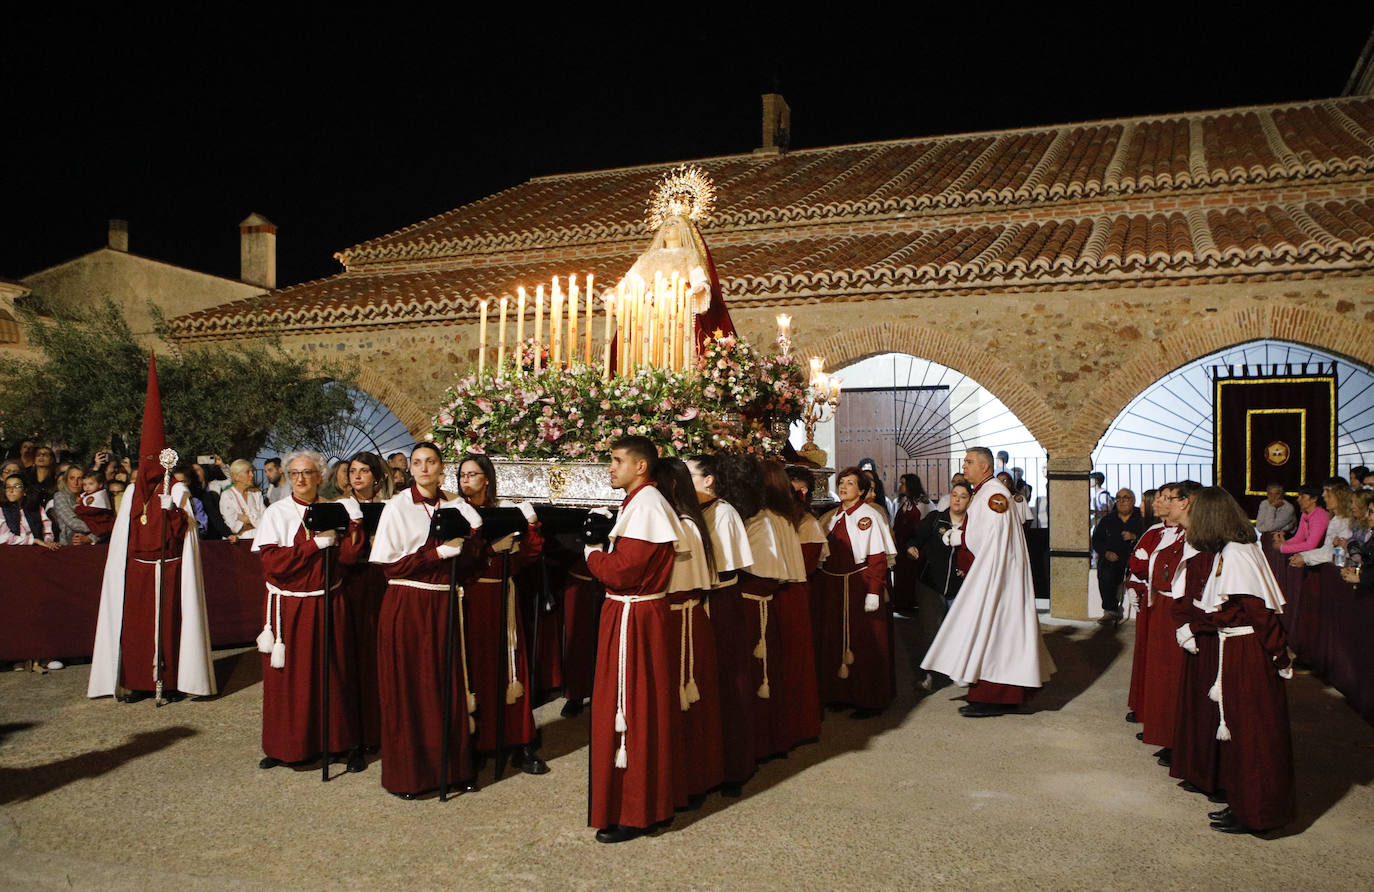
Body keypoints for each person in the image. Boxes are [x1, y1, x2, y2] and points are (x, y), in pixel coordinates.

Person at [88, 356, 216, 702]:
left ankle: (171, 680)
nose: (146, 471)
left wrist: (173, 510)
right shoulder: (131, 493)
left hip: (170, 568)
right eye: (142, 463)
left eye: (151, 463)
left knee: (170, 626)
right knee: (137, 628)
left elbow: (187, 532)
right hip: (138, 571)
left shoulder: (176, 491)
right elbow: (123, 534)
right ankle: (137, 682)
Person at [1176, 487, 1296, 835]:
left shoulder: (1239, 554)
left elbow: (1260, 613)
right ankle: (1242, 802)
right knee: (1239, 735)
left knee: (1255, 735)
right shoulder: (1231, 550)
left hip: (1248, 654)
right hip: (1235, 651)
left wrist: (1279, 656)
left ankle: (1259, 812)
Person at [369, 443, 486, 798]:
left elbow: (470, 559)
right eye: (416, 462)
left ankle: (454, 769)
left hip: (446, 602)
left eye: (430, 462)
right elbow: (390, 566)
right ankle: (412, 776)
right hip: (410, 602)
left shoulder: (455, 504)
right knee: (413, 689)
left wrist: (477, 540)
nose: (422, 468)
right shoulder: (397, 507)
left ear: (440, 468)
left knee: (446, 683)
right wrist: (434, 553)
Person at [584, 435, 684, 844]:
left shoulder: (645, 505)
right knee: (644, 709)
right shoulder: (641, 503)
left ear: (641, 466)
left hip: (633, 615)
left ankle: (634, 811)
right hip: (638, 613)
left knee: (630, 710)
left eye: (616, 460)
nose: (610, 467)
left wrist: (591, 551)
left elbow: (623, 572)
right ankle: (649, 805)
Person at [920, 448, 1054, 716]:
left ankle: (994, 697)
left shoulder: (994, 495)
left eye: (969, 462)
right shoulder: (983, 492)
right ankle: (989, 692)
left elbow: (993, 537)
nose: (965, 466)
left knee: (996, 633)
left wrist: (959, 538)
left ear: (985, 466)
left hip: (998, 577)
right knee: (989, 632)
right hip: (990, 572)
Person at [254, 450, 365, 772]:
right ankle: (285, 746)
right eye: (294, 473)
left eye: (307, 472)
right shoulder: (277, 512)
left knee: (333, 672)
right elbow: (272, 563)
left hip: (327, 600)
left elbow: (349, 557)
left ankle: (339, 744)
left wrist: (353, 525)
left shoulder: (335, 509)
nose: (300, 479)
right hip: (288, 606)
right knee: (287, 678)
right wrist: (313, 545)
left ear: (320, 476)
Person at [456, 453, 548, 775]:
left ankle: (520, 741)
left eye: (473, 474)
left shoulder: (505, 514)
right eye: (463, 475)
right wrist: (489, 550)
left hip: (503, 596)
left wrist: (529, 529)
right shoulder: (455, 514)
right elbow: (457, 562)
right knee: (477, 668)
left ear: (487, 479)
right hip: (471, 598)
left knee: (512, 666)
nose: (467, 480)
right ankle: (478, 742)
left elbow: (529, 556)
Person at [653, 456, 722, 807]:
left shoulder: (679, 524)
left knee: (681, 703)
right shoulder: (688, 521)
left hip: (678, 617)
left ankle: (685, 779)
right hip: (687, 616)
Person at [686, 453, 755, 794]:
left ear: (709, 480)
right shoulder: (690, 512)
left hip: (720, 602)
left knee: (726, 681)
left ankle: (733, 766)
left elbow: (728, 567)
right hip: (699, 601)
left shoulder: (723, 512)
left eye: (690, 474)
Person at [817, 465, 897, 717]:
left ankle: (868, 699)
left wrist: (874, 591)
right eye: (841, 482)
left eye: (850, 483)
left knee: (865, 643)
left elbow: (877, 558)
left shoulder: (869, 515)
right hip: (834, 586)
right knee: (836, 637)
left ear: (861, 490)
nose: (843, 486)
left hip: (859, 585)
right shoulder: (831, 517)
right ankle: (840, 693)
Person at [335, 451, 392, 756]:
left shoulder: (392, 508)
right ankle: (354, 736)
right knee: (353, 656)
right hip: (352, 586)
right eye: (353, 471)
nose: (357, 476)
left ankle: (384, 729)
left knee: (382, 656)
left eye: (364, 471)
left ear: (377, 476)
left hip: (383, 583)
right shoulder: (339, 508)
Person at [1091, 489, 1144, 623]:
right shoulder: (1108, 520)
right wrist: (1106, 553)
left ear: (1133, 500)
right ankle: (1110, 611)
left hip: (1137, 558)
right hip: (1113, 559)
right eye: (1118, 498)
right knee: (1105, 570)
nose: (1121, 502)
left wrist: (1135, 537)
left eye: (1125, 498)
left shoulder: (1141, 517)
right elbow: (1096, 540)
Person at [1288, 480, 1353, 567]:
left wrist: (1305, 558)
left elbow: (1335, 554)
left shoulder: (1346, 521)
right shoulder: (1335, 519)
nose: (1323, 496)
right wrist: (1304, 556)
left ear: (1340, 497)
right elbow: (1326, 549)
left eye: (1328, 495)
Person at [890, 473, 928, 617]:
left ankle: (914, 603)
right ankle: (901, 603)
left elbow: (925, 524)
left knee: (913, 575)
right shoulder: (901, 502)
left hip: (915, 546)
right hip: (900, 545)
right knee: (901, 575)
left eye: (903, 483)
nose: (900, 486)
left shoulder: (924, 504)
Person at [1274, 484, 1329, 560]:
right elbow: (1299, 538)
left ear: (1314, 499)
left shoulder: (1320, 515)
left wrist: (1283, 548)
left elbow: (1311, 545)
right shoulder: (1305, 514)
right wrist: (1284, 543)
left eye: (1302, 496)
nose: (1298, 499)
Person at [2, 474, 57, 549]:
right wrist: (34, 541)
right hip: (13, 551)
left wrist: (48, 540)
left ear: (25, 490)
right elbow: (4, 537)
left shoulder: (35, 508)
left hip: (36, 550)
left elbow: (47, 528)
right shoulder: (1, 510)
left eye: (16, 486)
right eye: (8, 487)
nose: (11, 490)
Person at [219, 459, 266, 542]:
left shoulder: (256, 493)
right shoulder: (227, 495)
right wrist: (255, 520)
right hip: (239, 543)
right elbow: (232, 526)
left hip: (259, 540)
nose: (252, 475)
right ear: (236, 476)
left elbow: (265, 519)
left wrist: (246, 519)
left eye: (252, 472)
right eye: (248, 472)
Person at [50, 464, 93, 545]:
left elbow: (105, 521)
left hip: (94, 545)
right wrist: (98, 527)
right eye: (72, 478)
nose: (75, 483)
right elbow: (73, 523)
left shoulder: (93, 497)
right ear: (66, 480)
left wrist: (91, 538)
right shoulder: (60, 496)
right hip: (68, 544)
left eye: (79, 478)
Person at [74, 469, 117, 543]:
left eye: (91, 484)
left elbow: (92, 510)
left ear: (100, 484)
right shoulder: (86, 494)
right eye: (85, 484)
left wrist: (78, 509)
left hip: (100, 523)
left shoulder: (100, 495)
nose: (87, 487)